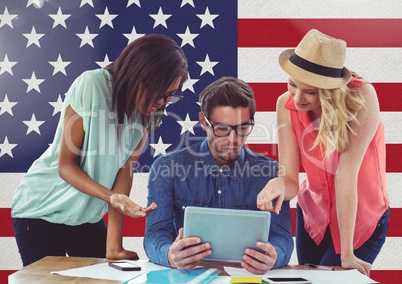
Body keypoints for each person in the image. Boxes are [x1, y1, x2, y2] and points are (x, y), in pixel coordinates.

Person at [11, 34, 188, 266]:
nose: (162, 102)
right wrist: (110, 197)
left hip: (85, 218)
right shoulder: (92, 85)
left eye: (170, 94)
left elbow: (124, 172)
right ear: (138, 73)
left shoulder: (149, 114)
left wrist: (114, 248)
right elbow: (66, 166)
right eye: (159, 91)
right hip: (41, 211)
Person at [256, 29, 390, 275]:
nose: (297, 98)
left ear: (330, 90)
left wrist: (347, 254)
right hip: (314, 218)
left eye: (311, 91)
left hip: (360, 220)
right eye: (292, 85)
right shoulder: (284, 104)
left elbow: (346, 174)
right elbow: (291, 181)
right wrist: (278, 183)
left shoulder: (363, 97)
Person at [144, 76, 293, 275]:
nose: (233, 139)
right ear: (203, 122)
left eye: (242, 128)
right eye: (222, 129)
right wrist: (169, 255)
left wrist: (274, 255)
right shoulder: (166, 168)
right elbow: (155, 234)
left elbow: (282, 237)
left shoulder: (272, 174)